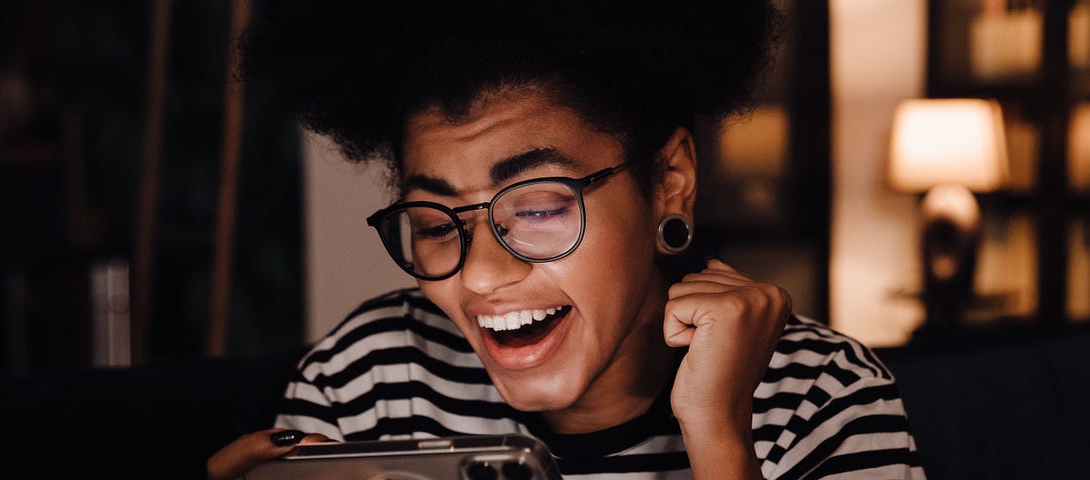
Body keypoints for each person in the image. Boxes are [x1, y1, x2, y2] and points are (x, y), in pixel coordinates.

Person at [207, 1, 925, 478]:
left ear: (669, 180)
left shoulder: (823, 397)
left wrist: (717, 431)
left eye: (541, 208)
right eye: (433, 224)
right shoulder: (362, 381)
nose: (482, 276)